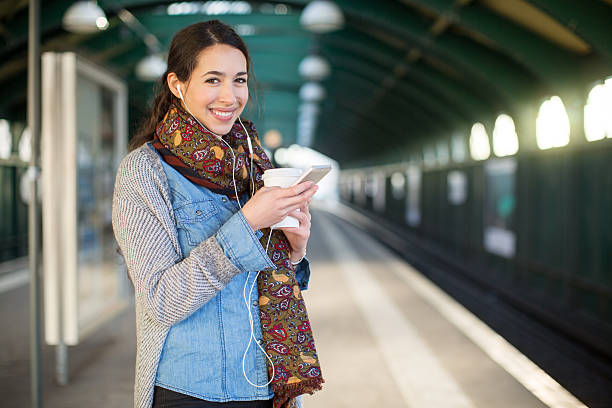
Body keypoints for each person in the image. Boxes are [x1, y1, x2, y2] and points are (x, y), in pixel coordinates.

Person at [112, 20, 323, 408]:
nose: (230, 96)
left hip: (269, 388)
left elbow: (266, 284)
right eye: (213, 80)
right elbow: (160, 301)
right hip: (190, 390)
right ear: (177, 85)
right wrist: (247, 225)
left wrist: (293, 251)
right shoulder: (145, 172)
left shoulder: (255, 164)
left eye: (239, 80)